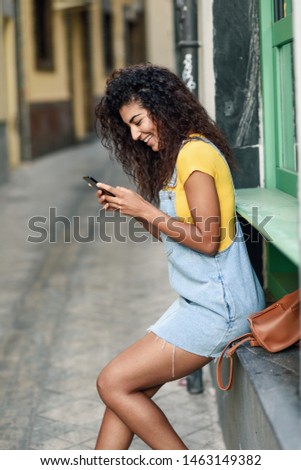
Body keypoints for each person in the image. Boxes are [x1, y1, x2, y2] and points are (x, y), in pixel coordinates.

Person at [93, 63, 265, 450]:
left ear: (162, 106)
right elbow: (177, 236)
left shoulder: (195, 154)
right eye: (129, 128)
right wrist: (134, 211)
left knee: (112, 382)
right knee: (122, 397)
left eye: (138, 121)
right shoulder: (176, 158)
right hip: (197, 300)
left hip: (219, 308)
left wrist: (146, 210)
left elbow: (206, 240)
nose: (136, 135)